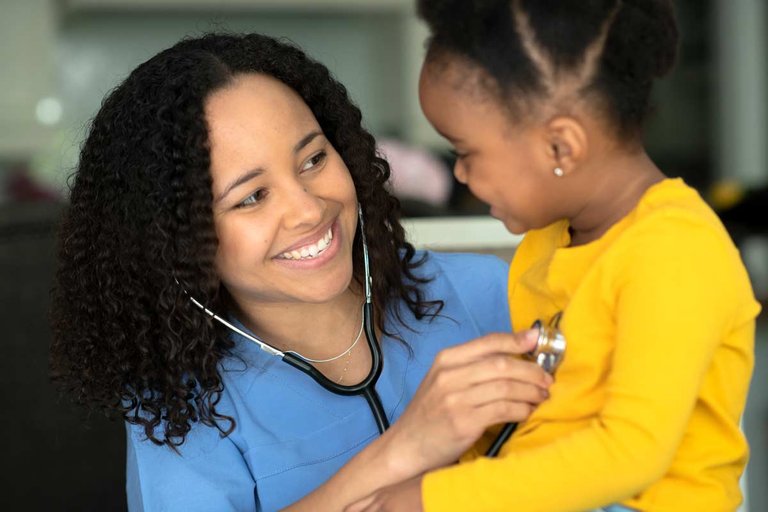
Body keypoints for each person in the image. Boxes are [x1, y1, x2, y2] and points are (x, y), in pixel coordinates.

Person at [48, 32, 554, 511]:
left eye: (313, 159)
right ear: (178, 242)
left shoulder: (489, 293)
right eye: (251, 197)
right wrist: (403, 451)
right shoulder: (180, 405)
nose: (309, 210)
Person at [348, 1, 761, 511]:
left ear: (561, 148)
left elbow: (628, 453)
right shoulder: (553, 241)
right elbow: (546, 422)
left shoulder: (675, 252)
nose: (458, 176)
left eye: (465, 153)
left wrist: (435, 498)